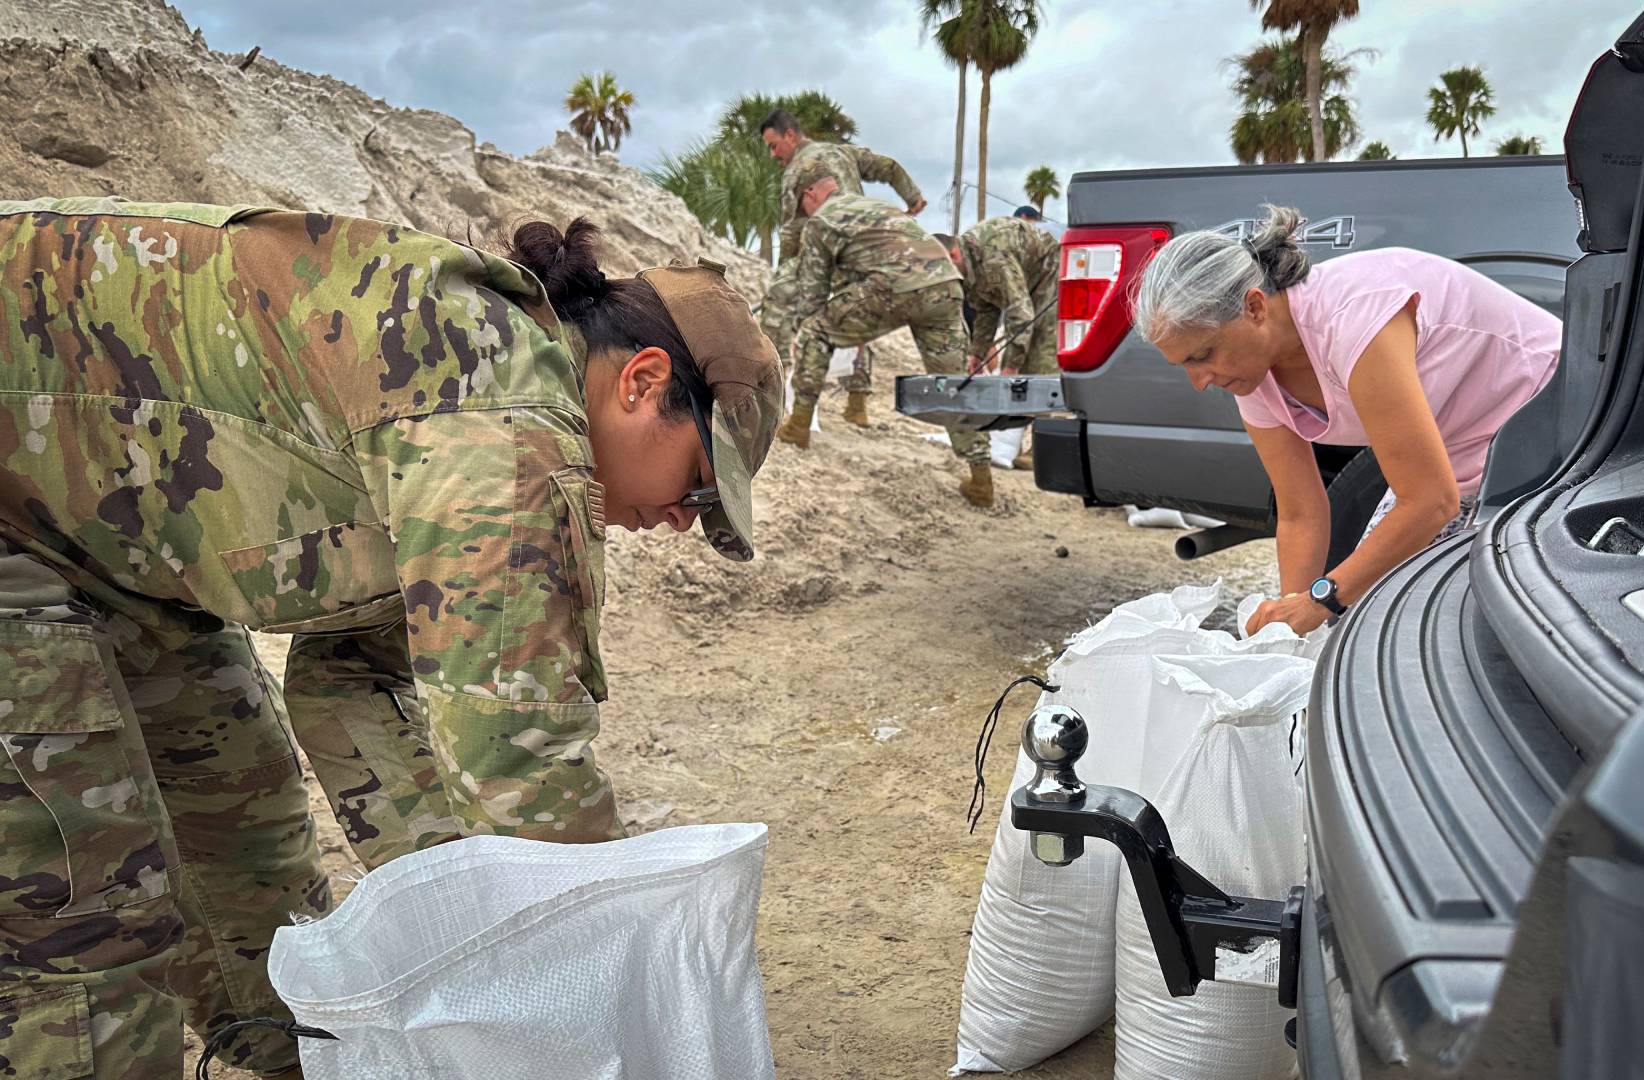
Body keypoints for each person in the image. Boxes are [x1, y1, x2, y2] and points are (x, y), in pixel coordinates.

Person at [0, 198, 781, 1077]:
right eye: (700, 486)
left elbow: (351, 678)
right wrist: (611, 1001)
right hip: (19, 517)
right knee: (88, 912)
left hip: (110, 546)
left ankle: (285, 1060)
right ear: (641, 381)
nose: (681, 521)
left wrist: (458, 928)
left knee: (245, 834)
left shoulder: (467, 410)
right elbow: (518, 761)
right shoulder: (502, 412)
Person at [1131, 205, 1561, 637]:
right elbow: (1300, 513)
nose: (1200, 382)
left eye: (1202, 355)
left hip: (1556, 423)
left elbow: (1430, 501)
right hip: (1462, 453)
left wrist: (1321, 599)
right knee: (1368, 623)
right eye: (1183, 365)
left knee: (1460, 625)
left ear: (1255, 307)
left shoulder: (1353, 319)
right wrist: (1288, 626)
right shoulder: (1251, 372)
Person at [773, 168, 994, 507]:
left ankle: (798, 426)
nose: (803, 211)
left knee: (814, 332)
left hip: (895, 285)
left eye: (801, 203)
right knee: (952, 382)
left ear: (810, 193)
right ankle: (981, 478)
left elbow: (813, 293)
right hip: (945, 285)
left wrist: (808, 328)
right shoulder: (878, 207)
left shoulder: (822, 221)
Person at [758, 108, 926, 428]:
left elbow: (791, 232)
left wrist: (784, 274)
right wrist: (913, 197)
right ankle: (857, 403)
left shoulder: (797, 171)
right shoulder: (844, 153)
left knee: (780, 311)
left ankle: (773, 392)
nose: (773, 154)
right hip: (863, 249)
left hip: (824, 248)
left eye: (774, 145)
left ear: (790, 135)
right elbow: (889, 167)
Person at [937, 216, 1060, 382]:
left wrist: (1012, 367)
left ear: (953, 255)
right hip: (1024, 281)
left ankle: (1045, 394)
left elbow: (1021, 313)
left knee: (1039, 353)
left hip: (1047, 271)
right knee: (1015, 361)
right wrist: (978, 354)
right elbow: (986, 310)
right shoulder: (968, 265)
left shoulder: (992, 257)